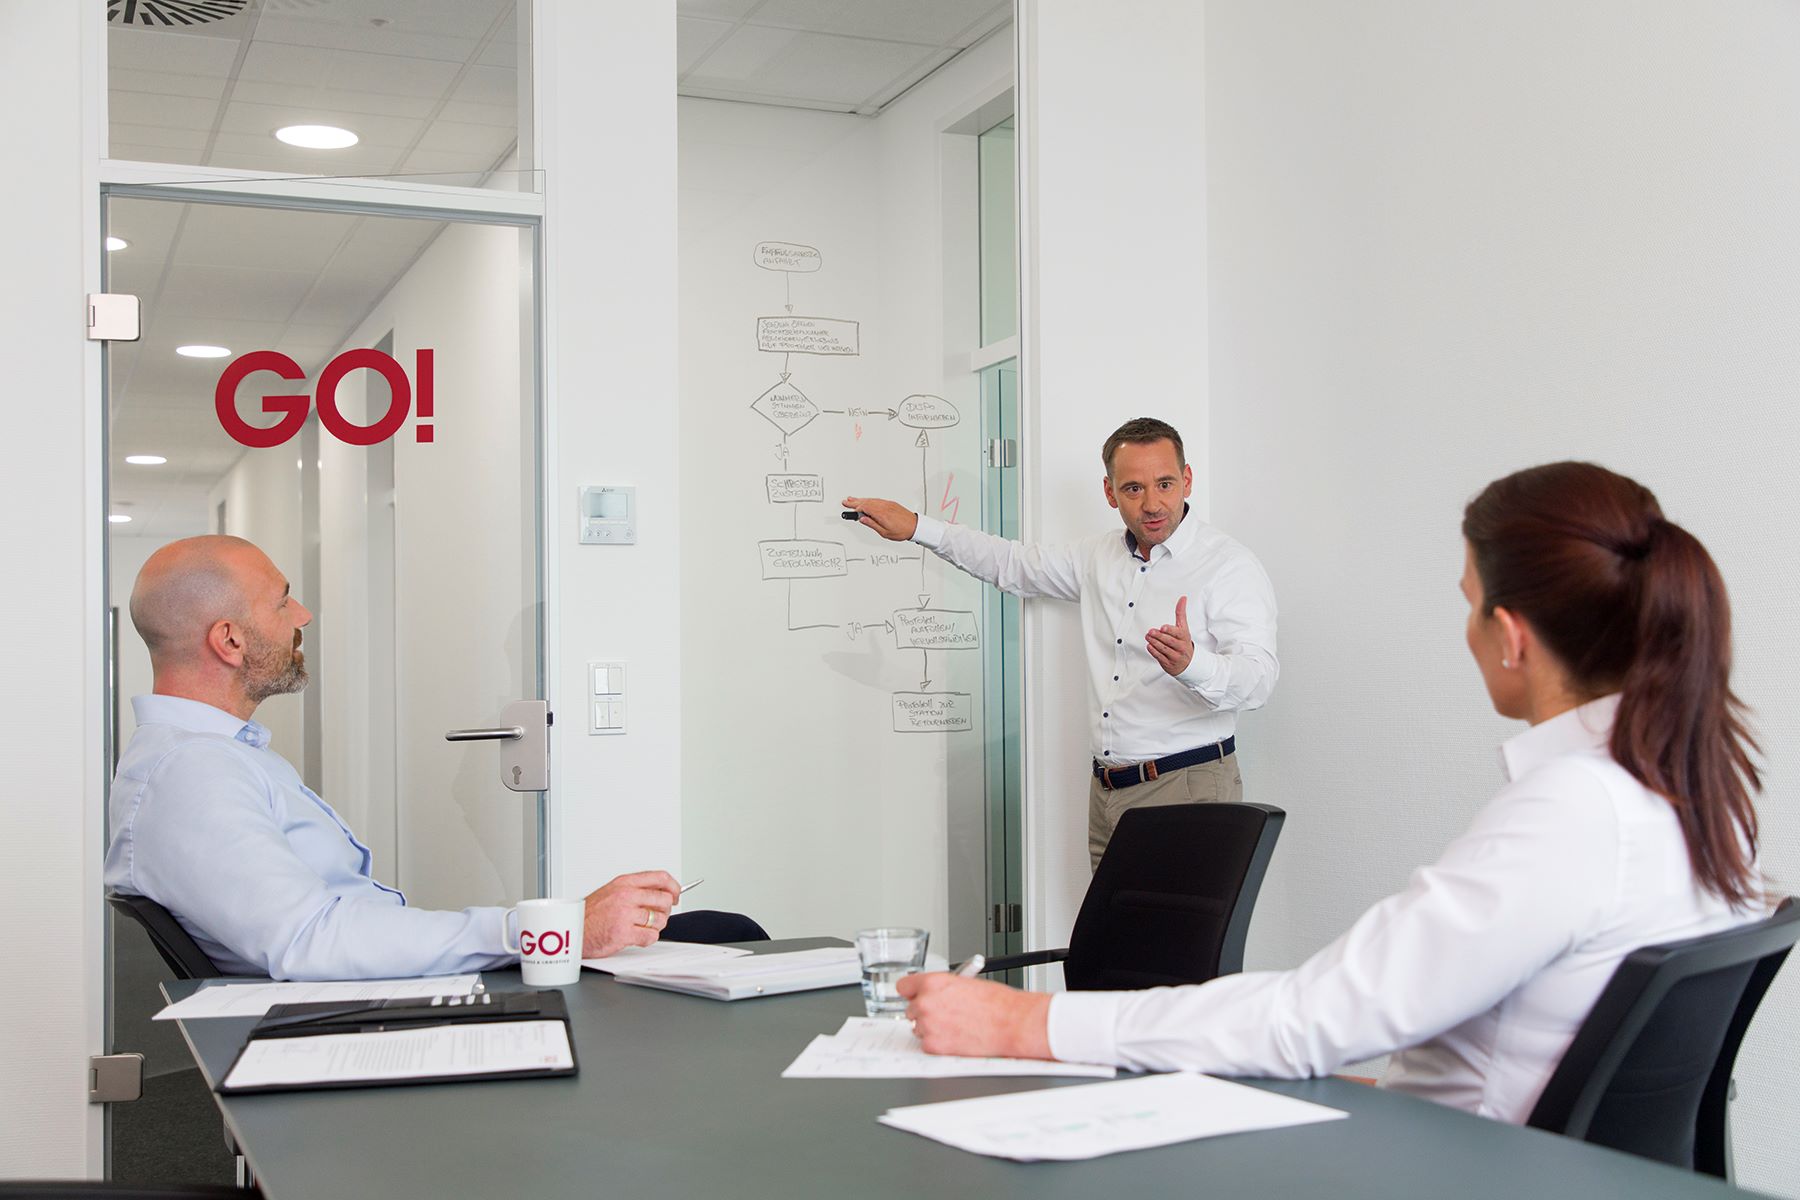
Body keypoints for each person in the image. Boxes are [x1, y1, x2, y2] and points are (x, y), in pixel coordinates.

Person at [897, 461, 1767, 1124]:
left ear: (1509, 636)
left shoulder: (1572, 812)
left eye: (1468, 605)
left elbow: (1316, 1015)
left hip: (1456, 1165)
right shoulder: (1687, 790)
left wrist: (1028, 1026)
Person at [105, 535, 686, 980]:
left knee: (712, 933)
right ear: (229, 640)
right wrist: (547, 931)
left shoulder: (215, 757)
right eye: (283, 602)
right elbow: (312, 938)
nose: (303, 615)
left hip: (363, 989)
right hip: (348, 1016)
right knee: (703, 943)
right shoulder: (191, 776)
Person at [846, 417, 1278, 867]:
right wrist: (918, 527)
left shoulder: (1229, 565)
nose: (1152, 503)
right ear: (1110, 493)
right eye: (1133, 489)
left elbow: (1261, 679)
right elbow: (1012, 564)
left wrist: (1194, 665)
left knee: (1179, 937)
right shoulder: (1098, 556)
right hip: (1110, 793)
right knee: (1112, 937)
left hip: (1187, 787)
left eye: (1165, 483)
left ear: (1187, 481)